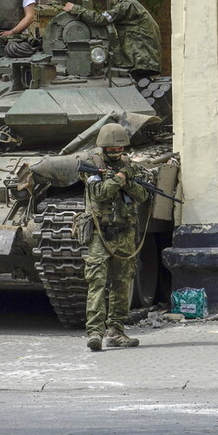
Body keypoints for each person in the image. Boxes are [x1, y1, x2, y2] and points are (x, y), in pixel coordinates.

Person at [80, 123, 149, 352]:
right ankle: (95, 333)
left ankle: (116, 331)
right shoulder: (92, 166)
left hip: (125, 232)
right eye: (112, 151)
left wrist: (127, 179)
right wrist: (120, 177)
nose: (117, 154)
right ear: (104, 148)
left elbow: (142, 195)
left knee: (122, 283)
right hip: (101, 233)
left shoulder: (129, 166)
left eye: (120, 150)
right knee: (97, 282)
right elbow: (99, 193)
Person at [64, 0, 161, 79]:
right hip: (145, 59)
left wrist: (75, 8)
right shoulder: (133, 4)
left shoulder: (126, 5)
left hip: (141, 60)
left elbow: (101, 19)